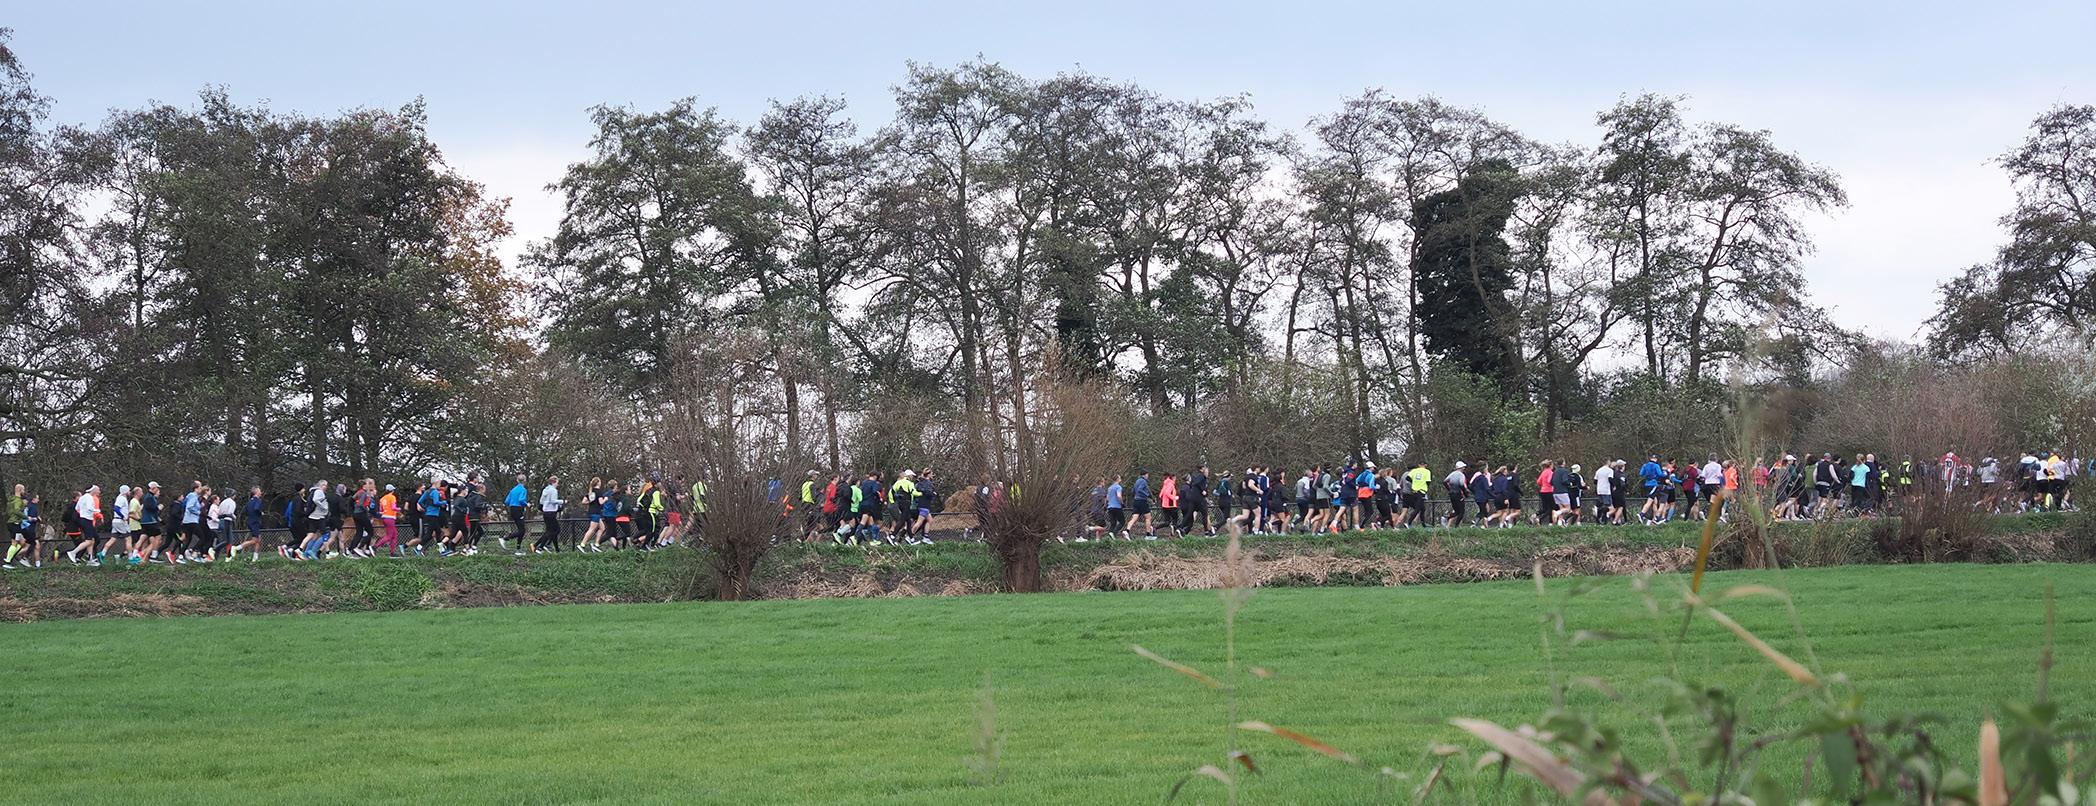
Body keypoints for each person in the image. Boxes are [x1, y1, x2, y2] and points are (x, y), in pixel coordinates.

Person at [536, 475, 564, 553]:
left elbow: (541, 501)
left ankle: (556, 549)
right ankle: (541, 547)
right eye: (557, 482)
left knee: (552, 531)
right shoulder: (553, 490)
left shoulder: (546, 490)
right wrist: (561, 501)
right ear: (554, 482)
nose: (558, 484)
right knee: (555, 530)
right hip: (551, 512)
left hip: (546, 512)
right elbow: (553, 500)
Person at [504, 473, 531, 550]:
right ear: (525, 481)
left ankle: (518, 548)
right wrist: (526, 504)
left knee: (521, 530)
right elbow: (521, 500)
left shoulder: (513, 490)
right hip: (518, 509)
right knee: (522, 530)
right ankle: (506, 538)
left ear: (517, 480)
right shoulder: (523, 490)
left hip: (512, 509)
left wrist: (513, 502)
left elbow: (506, 501)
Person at [377, 484, 402, 557]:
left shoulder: (382, 499)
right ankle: (375, 547)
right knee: (389, 536)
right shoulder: (392, 497)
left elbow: (381, 510)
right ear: (392, 490)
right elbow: (393, 508)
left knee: (394, 534)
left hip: (384, 517)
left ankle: (392, 552)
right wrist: (399, 509)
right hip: (390, 517)